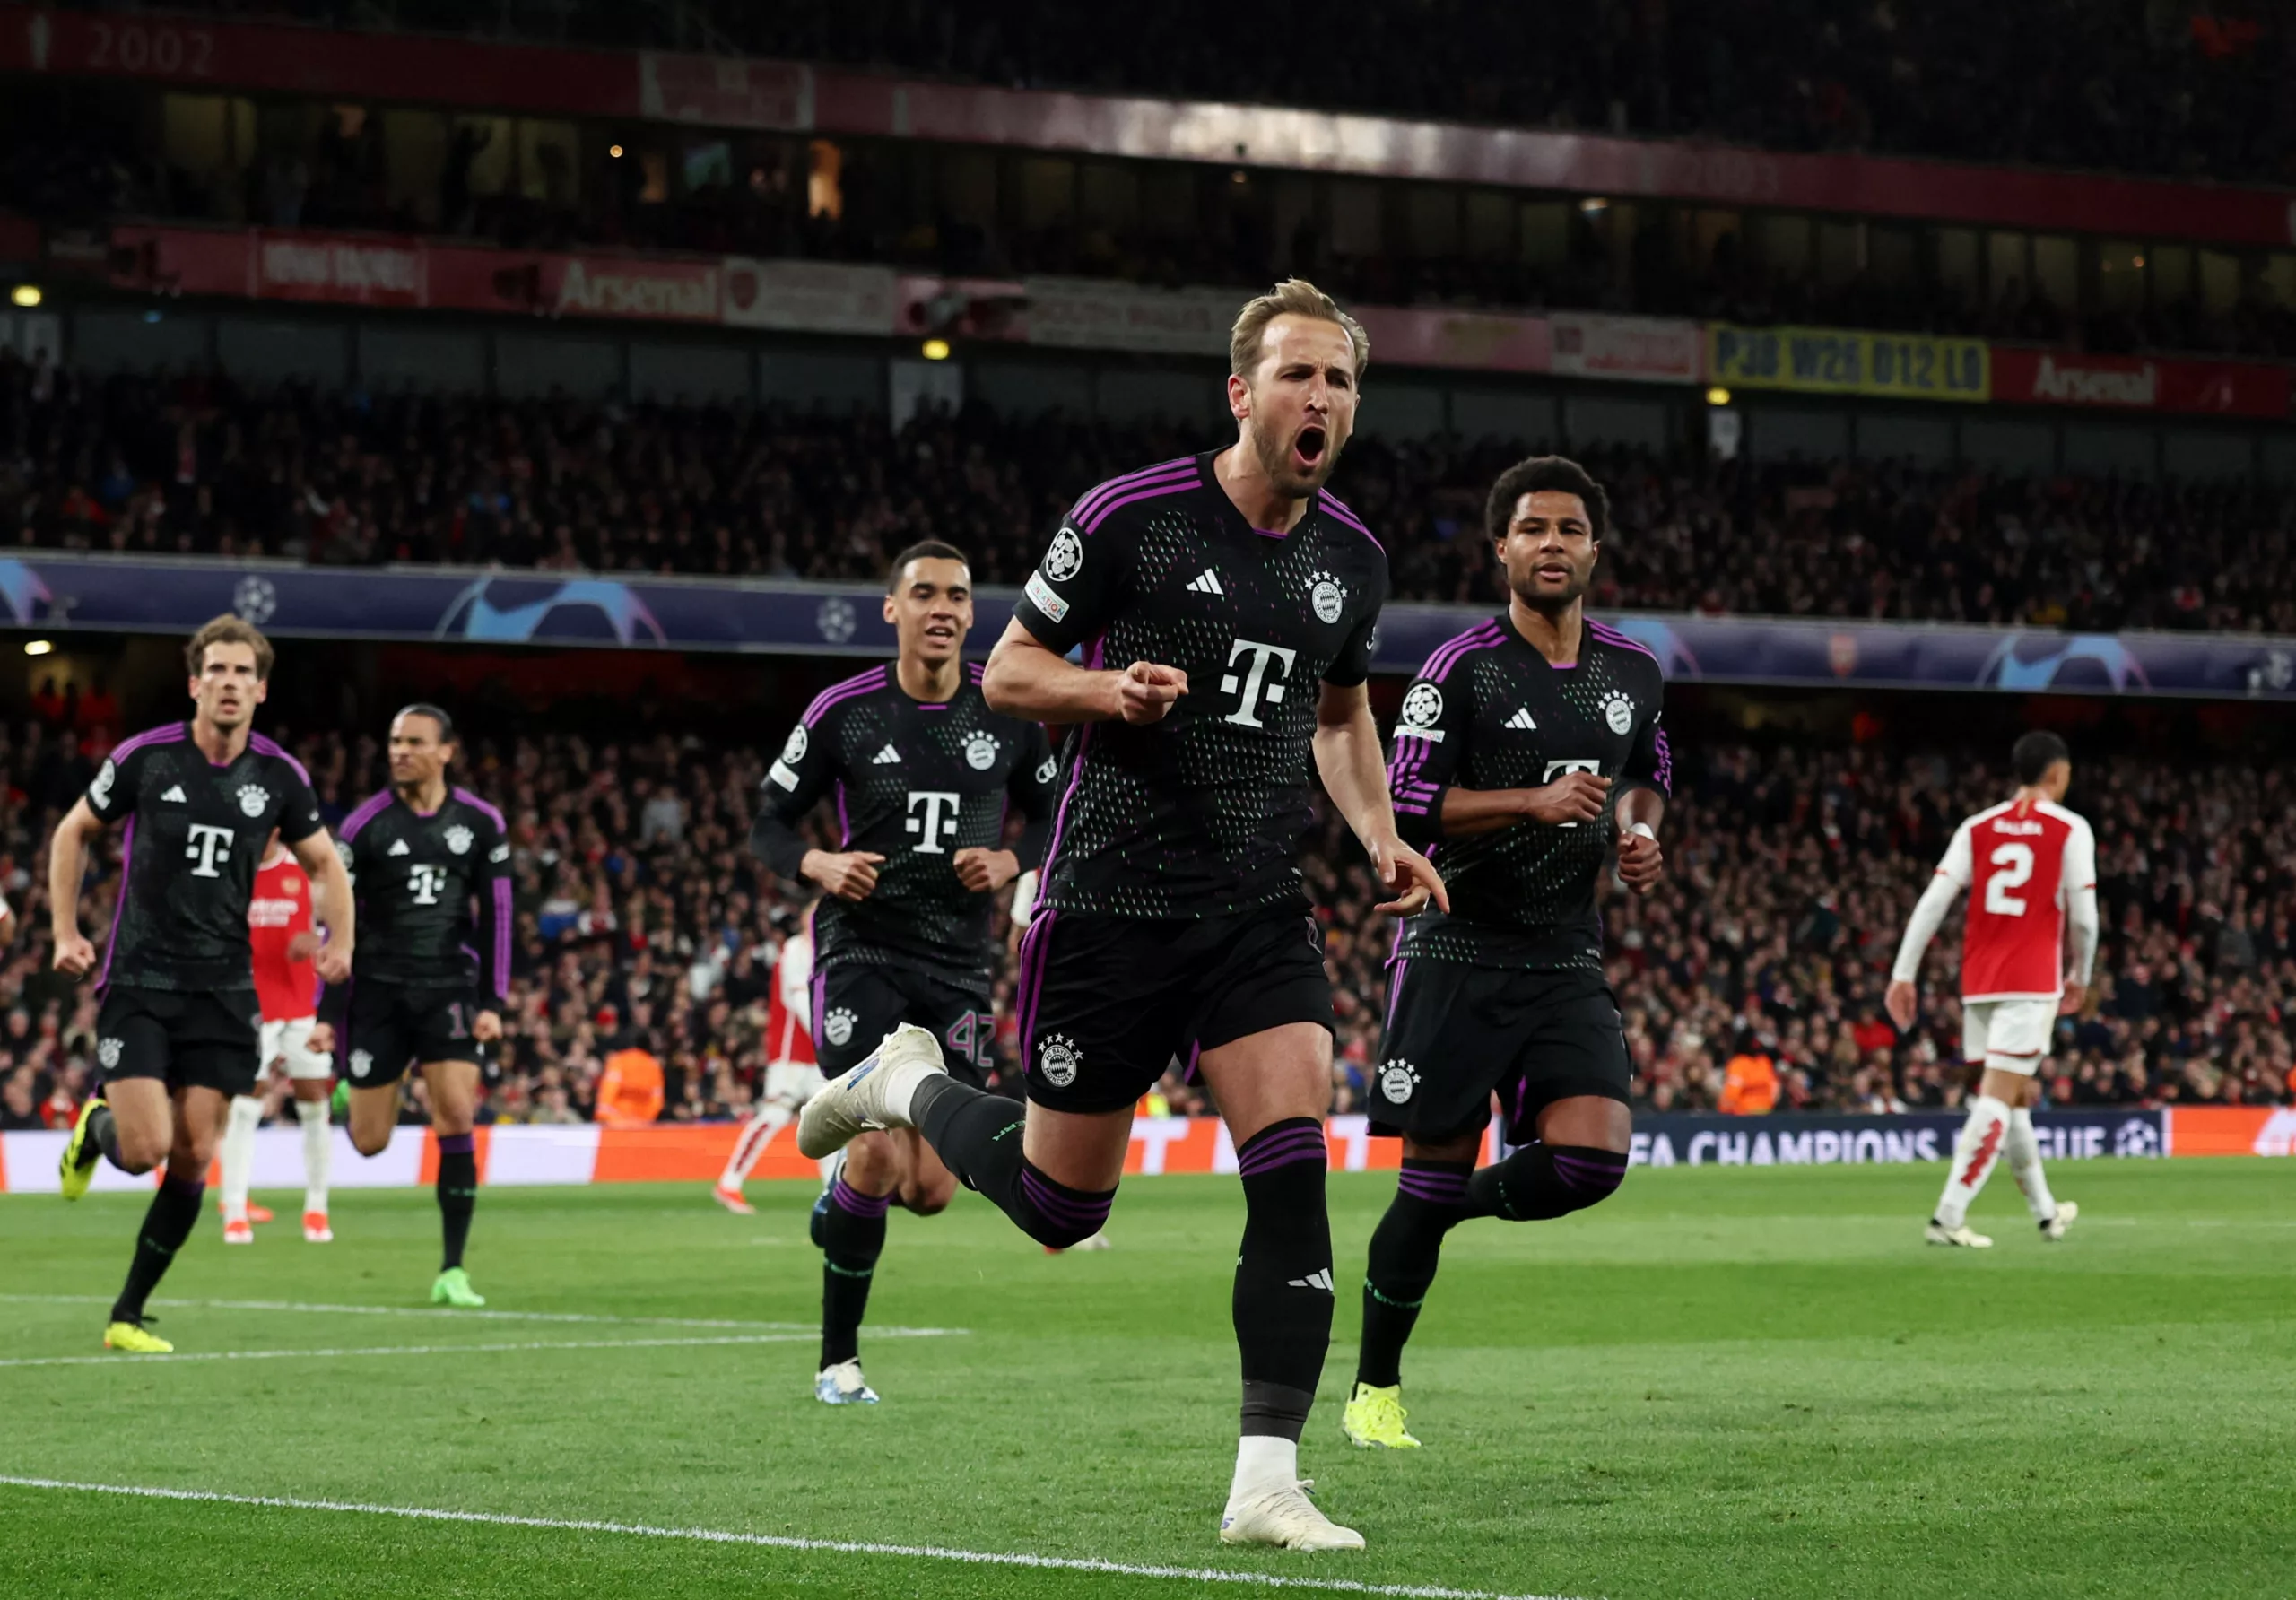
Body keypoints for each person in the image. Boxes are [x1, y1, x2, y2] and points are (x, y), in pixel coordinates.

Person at [799, 280, 1442, 1550]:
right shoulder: (1132, 518)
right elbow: (1008, 671)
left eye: (1340, 380)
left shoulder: (1353, 561)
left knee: (1295, 1165)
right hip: (1107, 905)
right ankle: (903, 1080)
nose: (1320, 396)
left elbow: (1341, 718)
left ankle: (1266, 1481)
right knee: (1061, 1208)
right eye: (1298, 374)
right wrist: (1107, 692)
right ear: (1241, 392)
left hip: (1256, 908)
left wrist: (1380, 833)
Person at [1342, 455, 1669, 1451]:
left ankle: (1447, 1210)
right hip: (1457, 947)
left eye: (1568, 529)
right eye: (1532, 529)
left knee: (1593, 1159)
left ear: (1594, 549)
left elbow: (1648, 771)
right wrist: (1532, 801)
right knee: (1427, 1173)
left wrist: (1638, 831)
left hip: (1564, 952)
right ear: (1501, 549)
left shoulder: (1633, 670)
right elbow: (1404, 799)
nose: (1551, 545)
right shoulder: (1461, 668)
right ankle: (1373, 1389)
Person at [752, 539, 1058, 1406]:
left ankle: (840, 1204)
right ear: (893, 609)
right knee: (877, 1152)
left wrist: (1011, 860)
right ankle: (837, 1364)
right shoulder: (844, 711)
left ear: (971, 613)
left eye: (957, 596)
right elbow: (768, 822)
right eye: (924, 594)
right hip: (862, 954)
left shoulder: (1006, 707)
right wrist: (817, 862)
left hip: (958, 968)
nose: (942, 610)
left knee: (927, 1191)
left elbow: (1054, 814)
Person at [54, 616, 353, 1352]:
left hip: (224, 992)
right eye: (216, 669)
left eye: (243, 672)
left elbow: (325, 863)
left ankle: (126, 1315)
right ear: (194, 683)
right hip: (142, 980)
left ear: (260, 689)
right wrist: (65, 931)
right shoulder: (147, 759)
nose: (229, 682)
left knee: (193, 1155)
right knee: (145, 1149)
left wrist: (341, 939)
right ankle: (95, 1128)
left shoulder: (279, 777)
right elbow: (72, 832)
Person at [326, 705, 510, 1307]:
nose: (400, 751)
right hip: (378, 992)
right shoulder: (364, 826)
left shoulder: (480, 823)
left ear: (446, 751)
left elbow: (498, 914)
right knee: (369, 1142)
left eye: (414, 742)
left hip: (447, 987)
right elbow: (338, 923)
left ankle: (452, 1269)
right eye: (395, 741)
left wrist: (493, 1000)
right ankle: (356, 1088)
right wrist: (328, 1014)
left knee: (455, 1114)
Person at [1887, 731, 2095, 1248]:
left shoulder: (1977, 827)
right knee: (1998, 1097)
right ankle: (1948, 1217)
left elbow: (1934, 901)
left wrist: (1903, 973)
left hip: (1980, 981)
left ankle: (2046, 1213)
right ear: (2056, 773)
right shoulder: (2069, 828)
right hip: (2031, 981)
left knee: (2015, 1095)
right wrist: (2081, 975)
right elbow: (2084, 919)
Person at [218, 830, 337, 1244]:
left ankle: (317, 1208)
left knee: (314, 1102)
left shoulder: (305, 869)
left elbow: (339, 922)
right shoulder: (233, 870)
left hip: (303, 1006)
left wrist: (318, 938)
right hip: (252, 1008)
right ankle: (235, 1210)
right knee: (245, 1105)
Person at [714, 900, 823, 1213]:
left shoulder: (822, 952)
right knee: (774, 1115)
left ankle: (835, 1192)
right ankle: (729, 1182)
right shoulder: (796, 950)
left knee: (828, 1121)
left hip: (814, 1055)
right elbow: (799, 1000)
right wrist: (825, 1038)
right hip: (792, 1053)